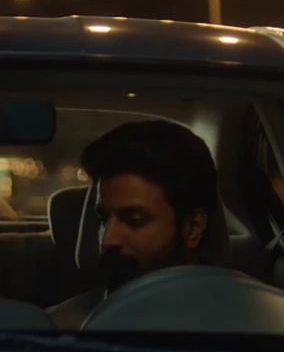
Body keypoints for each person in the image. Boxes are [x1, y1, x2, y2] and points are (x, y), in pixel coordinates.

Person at [47, 120, 224, 328]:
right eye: (103, 219)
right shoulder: (61, 328)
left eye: (134, 221)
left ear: (192, 228)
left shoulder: (246, 320)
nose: (108, 239)